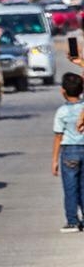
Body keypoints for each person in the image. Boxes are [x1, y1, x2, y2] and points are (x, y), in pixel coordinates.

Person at [56, 72, 84, 231]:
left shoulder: (62, 112)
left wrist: (54, 160)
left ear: (62, 91)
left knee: (70, 188)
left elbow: (58, 137)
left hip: (69, 152)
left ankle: (72, 221)